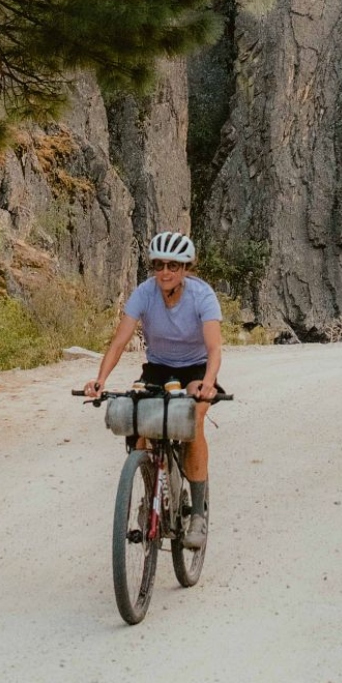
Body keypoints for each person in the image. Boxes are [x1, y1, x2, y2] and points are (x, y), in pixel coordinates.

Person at [82, 230, 222, 549]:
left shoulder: (202, 296)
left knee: (193, 421)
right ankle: (151, 494)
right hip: (158, 368)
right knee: (139, 422)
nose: (165, 272)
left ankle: (197, 514)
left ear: (186, 268)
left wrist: (208, 382)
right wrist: (100, 379)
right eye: (159, 265)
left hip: (195, 368)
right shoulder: (144, 294)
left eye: (173, 266)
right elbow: (119, 342)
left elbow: (214, 348)